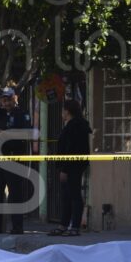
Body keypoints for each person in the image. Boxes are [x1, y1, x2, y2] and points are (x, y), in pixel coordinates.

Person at [0, 87, 34, 234]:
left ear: (14, 99)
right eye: (3, 100)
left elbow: (26, 133)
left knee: (15, 193)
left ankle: (17, 227)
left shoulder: (21, 114)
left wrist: (4, 134)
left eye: (8, 100)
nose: (5, 103)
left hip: (14, 158)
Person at [50, 99, 92, 237]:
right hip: (71, 164)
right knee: (66, 196)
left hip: (73, 165)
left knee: (74, 195)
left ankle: (74, 226)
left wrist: (64, 169)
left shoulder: (76, 126)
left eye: (63, 110)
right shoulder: (72, 125)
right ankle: (64, 224)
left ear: (67, 111)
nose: (61, 113)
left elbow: (71, 149)